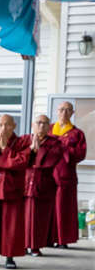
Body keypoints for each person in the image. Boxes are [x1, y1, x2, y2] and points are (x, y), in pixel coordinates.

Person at [0, 114, 30, 269]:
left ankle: (10, 257)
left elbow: (21, 162)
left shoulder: (22, 143)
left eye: (7, 124)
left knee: (11, 225)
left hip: (12, 189)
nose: (3, 128)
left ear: (14, 126)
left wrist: (5, 150)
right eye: (0, 125)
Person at [24, 114, 63, 256]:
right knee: (22, 216)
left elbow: (48, 162)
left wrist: (37, 150)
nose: (41, 126)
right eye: (39, 123)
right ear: (33, 125)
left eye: (45, 123)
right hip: (24, 182)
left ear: (49, 127)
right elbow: (19, 159)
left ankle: (35, 246)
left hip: (43, 183)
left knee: (39, 217)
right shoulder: (24, 140)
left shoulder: (55, 143)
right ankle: (22, 245)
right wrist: (30, 150)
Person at [51, 101, 87, 248]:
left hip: (66, 175)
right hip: (47, 174)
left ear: (72, 113)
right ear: (57, 111)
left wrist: (64, 148)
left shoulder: (77, 133)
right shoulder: (49, 129)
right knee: (48, 208)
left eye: (67, 110)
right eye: (61, 110)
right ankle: (47, 238)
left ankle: (62, 239)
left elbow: (81, 153)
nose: (64, 113)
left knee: (64, 207)